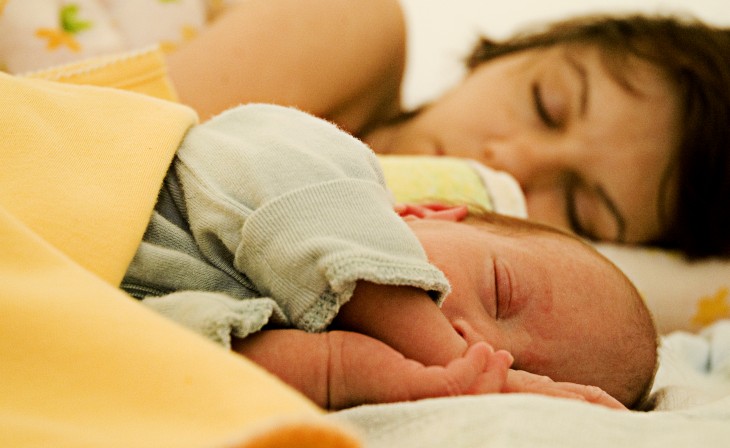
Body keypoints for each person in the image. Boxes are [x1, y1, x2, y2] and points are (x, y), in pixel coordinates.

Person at [121, 102, 657, 411]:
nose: (481, 351)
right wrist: (447, 359)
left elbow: (141, 352)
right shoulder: (328, 165)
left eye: (516, 371)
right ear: (430, 212)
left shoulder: (259, 315)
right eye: (499, 292)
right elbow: (294, 200)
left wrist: (335, 373)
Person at [160, 0, 730, 258]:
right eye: (546, 103)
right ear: (506, 53)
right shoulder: (356, 23)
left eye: (583, 211)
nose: (512, 160)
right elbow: (105, 148)